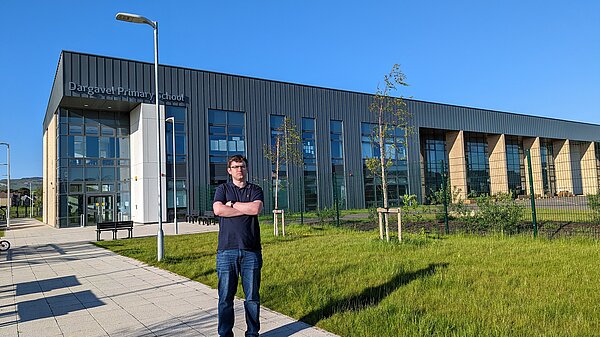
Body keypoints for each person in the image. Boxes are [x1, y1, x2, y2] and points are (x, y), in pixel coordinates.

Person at [213, 155, 264, 337]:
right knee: (225, 298)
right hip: (227, 251)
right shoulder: (222, 189)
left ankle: (252, 334)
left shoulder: (255, 189)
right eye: (235, 167)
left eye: (241, 166)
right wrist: (244, 209)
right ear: (229, 170)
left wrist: (233, 205)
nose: (239, 170)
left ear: (246, 168)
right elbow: (218, 210)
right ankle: (225, 334)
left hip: (251, 251)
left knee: (252, 298)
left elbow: (256, 209)